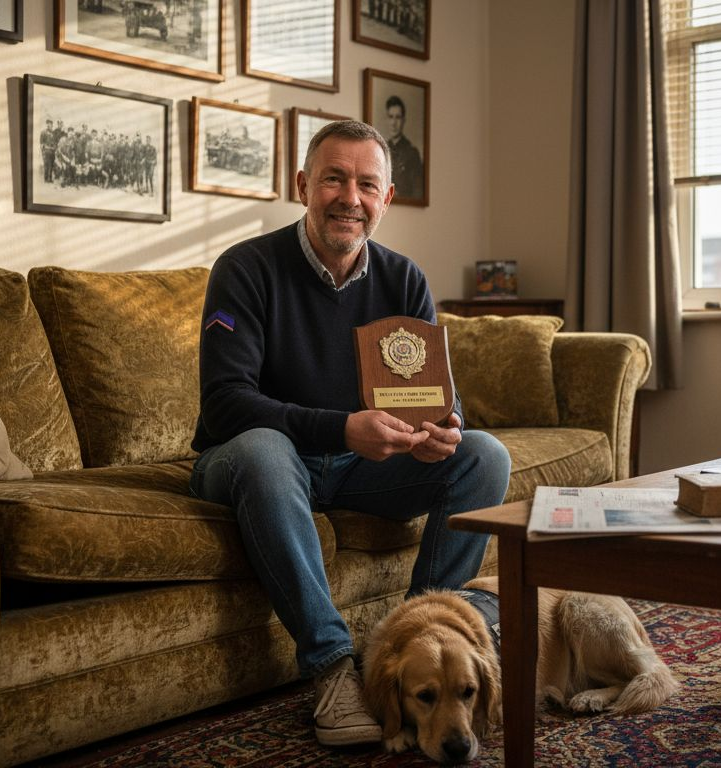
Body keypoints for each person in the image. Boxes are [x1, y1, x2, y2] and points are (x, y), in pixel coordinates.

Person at [189, 120, 510, 747]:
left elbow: (438, 395)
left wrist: (446, 427)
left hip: (360, 470)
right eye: (334, 178)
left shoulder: (404, 279)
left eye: (367, 184)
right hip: (250, 465)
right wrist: (342, 429)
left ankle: (422, 641)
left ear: (386, 198)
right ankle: (334, 667)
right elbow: (226, 405)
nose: (350, 197)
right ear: (303, 184)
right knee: (262, 447)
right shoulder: (245, 269)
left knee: (483, 457)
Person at [383, 95, 424, 199]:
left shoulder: (412, 153)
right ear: (387, 119)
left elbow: (418, 193)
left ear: (403, 120)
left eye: (398, 117)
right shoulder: (382, 151)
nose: (394, 123)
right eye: (391, 117)